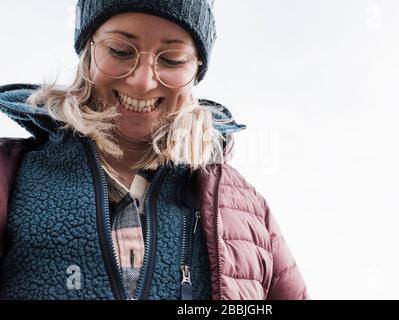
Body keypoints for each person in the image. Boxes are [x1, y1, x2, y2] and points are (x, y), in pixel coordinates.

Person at [0, 0, 309, 300]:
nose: (143, 81)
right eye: (120, 51)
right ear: (88, 51)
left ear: (196, 67)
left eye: (172, 59)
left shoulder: (248, 211)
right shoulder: (10, 178)